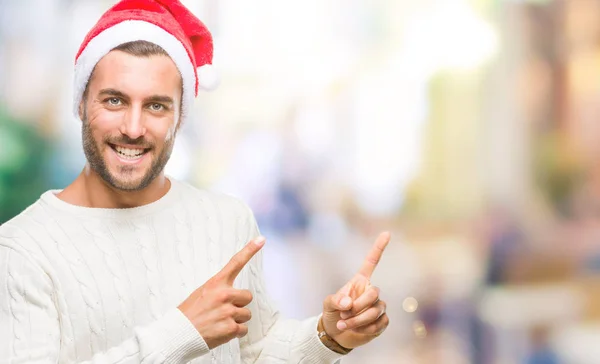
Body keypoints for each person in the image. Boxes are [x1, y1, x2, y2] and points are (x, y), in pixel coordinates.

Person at [0, 0, 390, 362]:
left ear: (179, 117)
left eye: (156, 105)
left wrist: (328, 336)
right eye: (115, 100)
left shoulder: (228, 220)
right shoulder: (22, 248)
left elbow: (253, 351)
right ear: (82, 103)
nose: (133, 128)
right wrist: (182, 332)